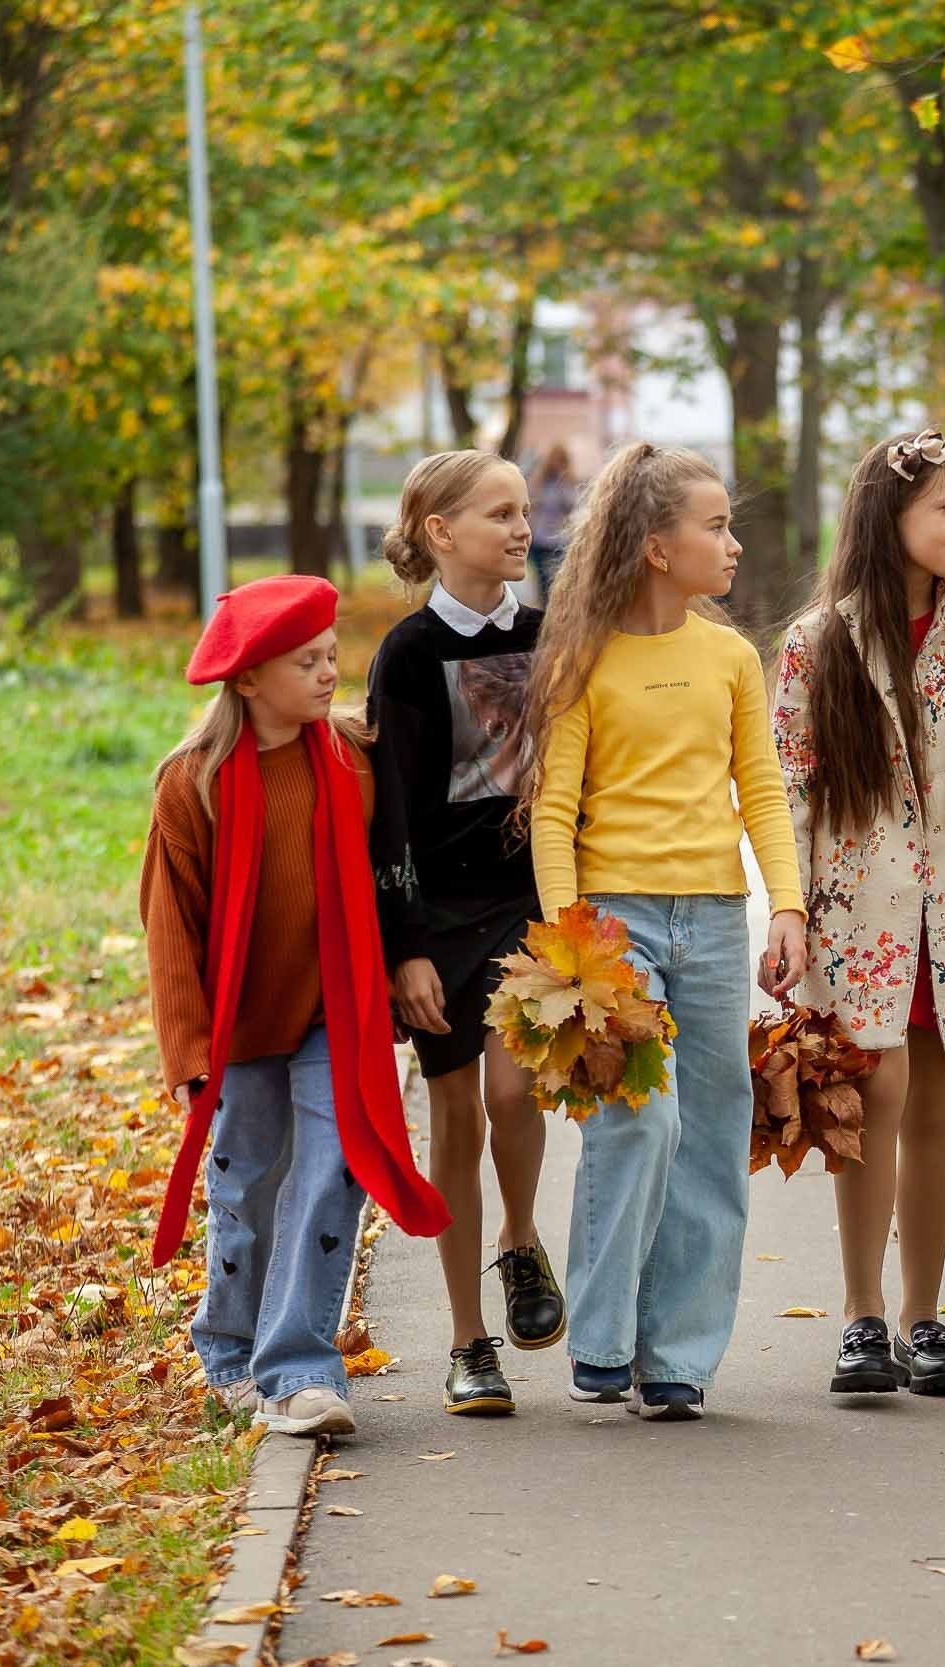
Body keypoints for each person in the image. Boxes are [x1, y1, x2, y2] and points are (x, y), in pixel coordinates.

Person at [520, 443, 808, 1422]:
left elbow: (760, 789)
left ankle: (676, 1355)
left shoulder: (730, 656)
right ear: (655, 547)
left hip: (717, 920)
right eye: (715, 525)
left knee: (714, 1136)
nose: (731, 542)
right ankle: (599, 1341)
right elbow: (553, 811)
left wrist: (788, 904)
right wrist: (572, 943)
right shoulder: (581, 659)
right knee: (642, 1117)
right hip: (611, 918)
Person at [771, 428, 945, 1400]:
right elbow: (791, 791)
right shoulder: (819, 645)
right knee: (871, 1098)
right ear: (884, 516)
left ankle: (922, 1315)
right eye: (944, 506)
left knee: (936, 1102)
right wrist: (789, 912)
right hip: (859, 913)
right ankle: (859, 1315)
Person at [142, 575, 449, 1439]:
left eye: (331, 657)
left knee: (334, 1173)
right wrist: (188, 1051)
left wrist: (402, 959)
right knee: (247, 1188)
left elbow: (390, 873)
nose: (328, 674)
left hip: (332, 1013)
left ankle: (301, 1369)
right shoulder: (192, 784)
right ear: (247, 680)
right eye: (306, 662)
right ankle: (231, 1348)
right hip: (239, 1023)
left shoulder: (350, 762)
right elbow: (171, 928)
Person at [365, 449, 564, 1418]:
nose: (522, 528)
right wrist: (402, 942)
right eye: (499, 513)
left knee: (515, 1083)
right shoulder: (406, 654)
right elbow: (390, 810)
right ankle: (465, 1337)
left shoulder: (548, 632)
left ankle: (519, 1240)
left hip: (530, 897)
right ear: (442, 533)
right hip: (436, 913)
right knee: (456, 1114)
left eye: (525, 511)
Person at [526, 445, 581, 603]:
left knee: (559, 580)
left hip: (560, 539)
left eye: (560, 460)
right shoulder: (541, 481)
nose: (557, 463)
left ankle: (557, 609)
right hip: (540, 537)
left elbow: (572, 504)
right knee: (542, 580)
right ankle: (544, 612)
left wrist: (563, 481)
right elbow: (531, 502)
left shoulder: (568, 481)